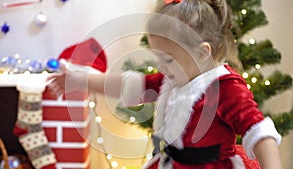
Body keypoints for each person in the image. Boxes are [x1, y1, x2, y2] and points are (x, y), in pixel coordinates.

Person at [47, 0, 283, 168]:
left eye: (168, 59)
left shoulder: (225, 87)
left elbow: (259, 133)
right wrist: (80, 79)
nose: (161, 66)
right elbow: (125, 85)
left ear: (202, 53)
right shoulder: (172, 80)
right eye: (158, 57)